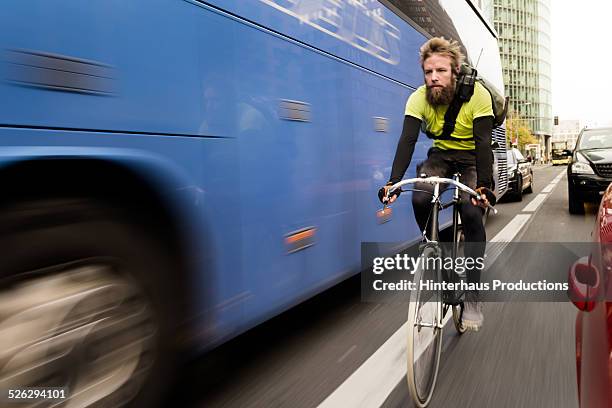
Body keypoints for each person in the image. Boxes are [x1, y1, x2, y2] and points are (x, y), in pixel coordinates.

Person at [378, 37, 496, 331]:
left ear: (455, 71)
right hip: (441, 156)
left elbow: (483, 145)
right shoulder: (418, 97)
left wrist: (483, 186)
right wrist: (393, 182)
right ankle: (445, 266)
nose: (434, 78)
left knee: (470, 212)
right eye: (428, 72)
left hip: (472, 157)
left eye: (441, 71)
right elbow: (406, 141)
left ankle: (472, 293)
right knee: (419, 197)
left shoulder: (478, 95)